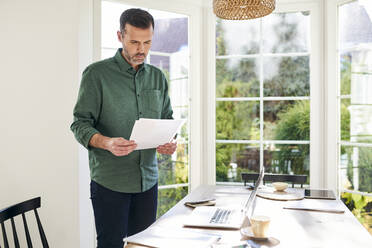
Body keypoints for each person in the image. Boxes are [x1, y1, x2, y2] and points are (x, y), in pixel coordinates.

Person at [70, 8, 177, 248]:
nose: (142, 49)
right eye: (135, 42)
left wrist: (170, 140)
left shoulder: (158, 77)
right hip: (110, 183)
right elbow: (79, 123)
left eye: (147, 42)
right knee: (111, 245)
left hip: (147, 181)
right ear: (120, 37)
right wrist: (106, 142)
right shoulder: (96, 75)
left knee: (143, 246)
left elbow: (167, 118)